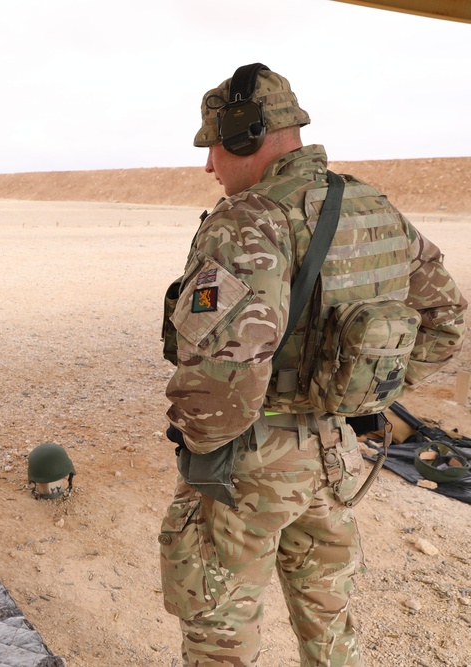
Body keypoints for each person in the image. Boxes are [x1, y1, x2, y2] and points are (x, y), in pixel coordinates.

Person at [158, 63, 467, 666]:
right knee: (331, 636)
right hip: (336, 456)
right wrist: (362, 396)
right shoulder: (374, 209)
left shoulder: (248, 220)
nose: (208, 165)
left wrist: (199, 445)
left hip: (248, 464)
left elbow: (222, 377)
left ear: (246, 136)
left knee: (220, 633)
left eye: (214, 147)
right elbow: (446, 319)